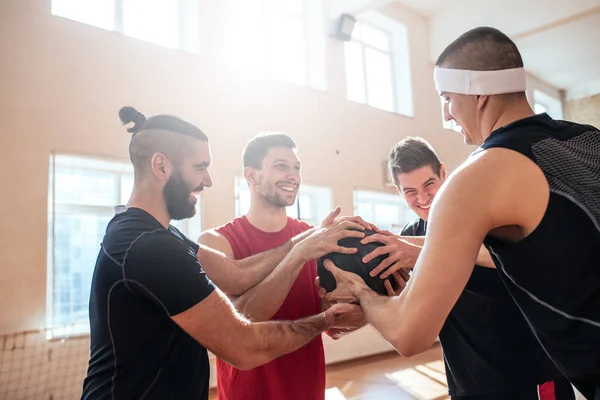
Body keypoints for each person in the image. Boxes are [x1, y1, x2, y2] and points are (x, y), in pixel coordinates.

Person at [321, 27, 600, 399]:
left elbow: (409, 333)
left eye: (447, 98)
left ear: (478, 94)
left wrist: (360, 292)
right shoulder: (589, 141)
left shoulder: (476, 177)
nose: (448, 116)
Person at [81, 108, 366, 400]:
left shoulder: (163, 234)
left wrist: (306, 241)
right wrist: (326, 319)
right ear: (161, 166)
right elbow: (244, 345)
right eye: (200, 167)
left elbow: (236, 274)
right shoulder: (147, 246)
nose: (208, 181)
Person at [373, 136, 573, 399]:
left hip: (531, 376)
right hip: (467, 384)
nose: (422, 198)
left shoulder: (484, 210)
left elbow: (520, 255)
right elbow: (402, 305)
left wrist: (421, 252)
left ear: (443, 173)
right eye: (410, 191)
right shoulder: (410, 233)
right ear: (398, 191)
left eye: (429, 184)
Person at [198, 132, 370, 400]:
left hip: (308, 391)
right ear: (251, 176)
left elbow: (334, 327)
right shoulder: (217, 243)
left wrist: (372, 295)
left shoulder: (319, 238)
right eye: (281, 166)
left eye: (297, 168)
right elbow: (242, 323)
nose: (293, 176)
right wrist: (297, 254)